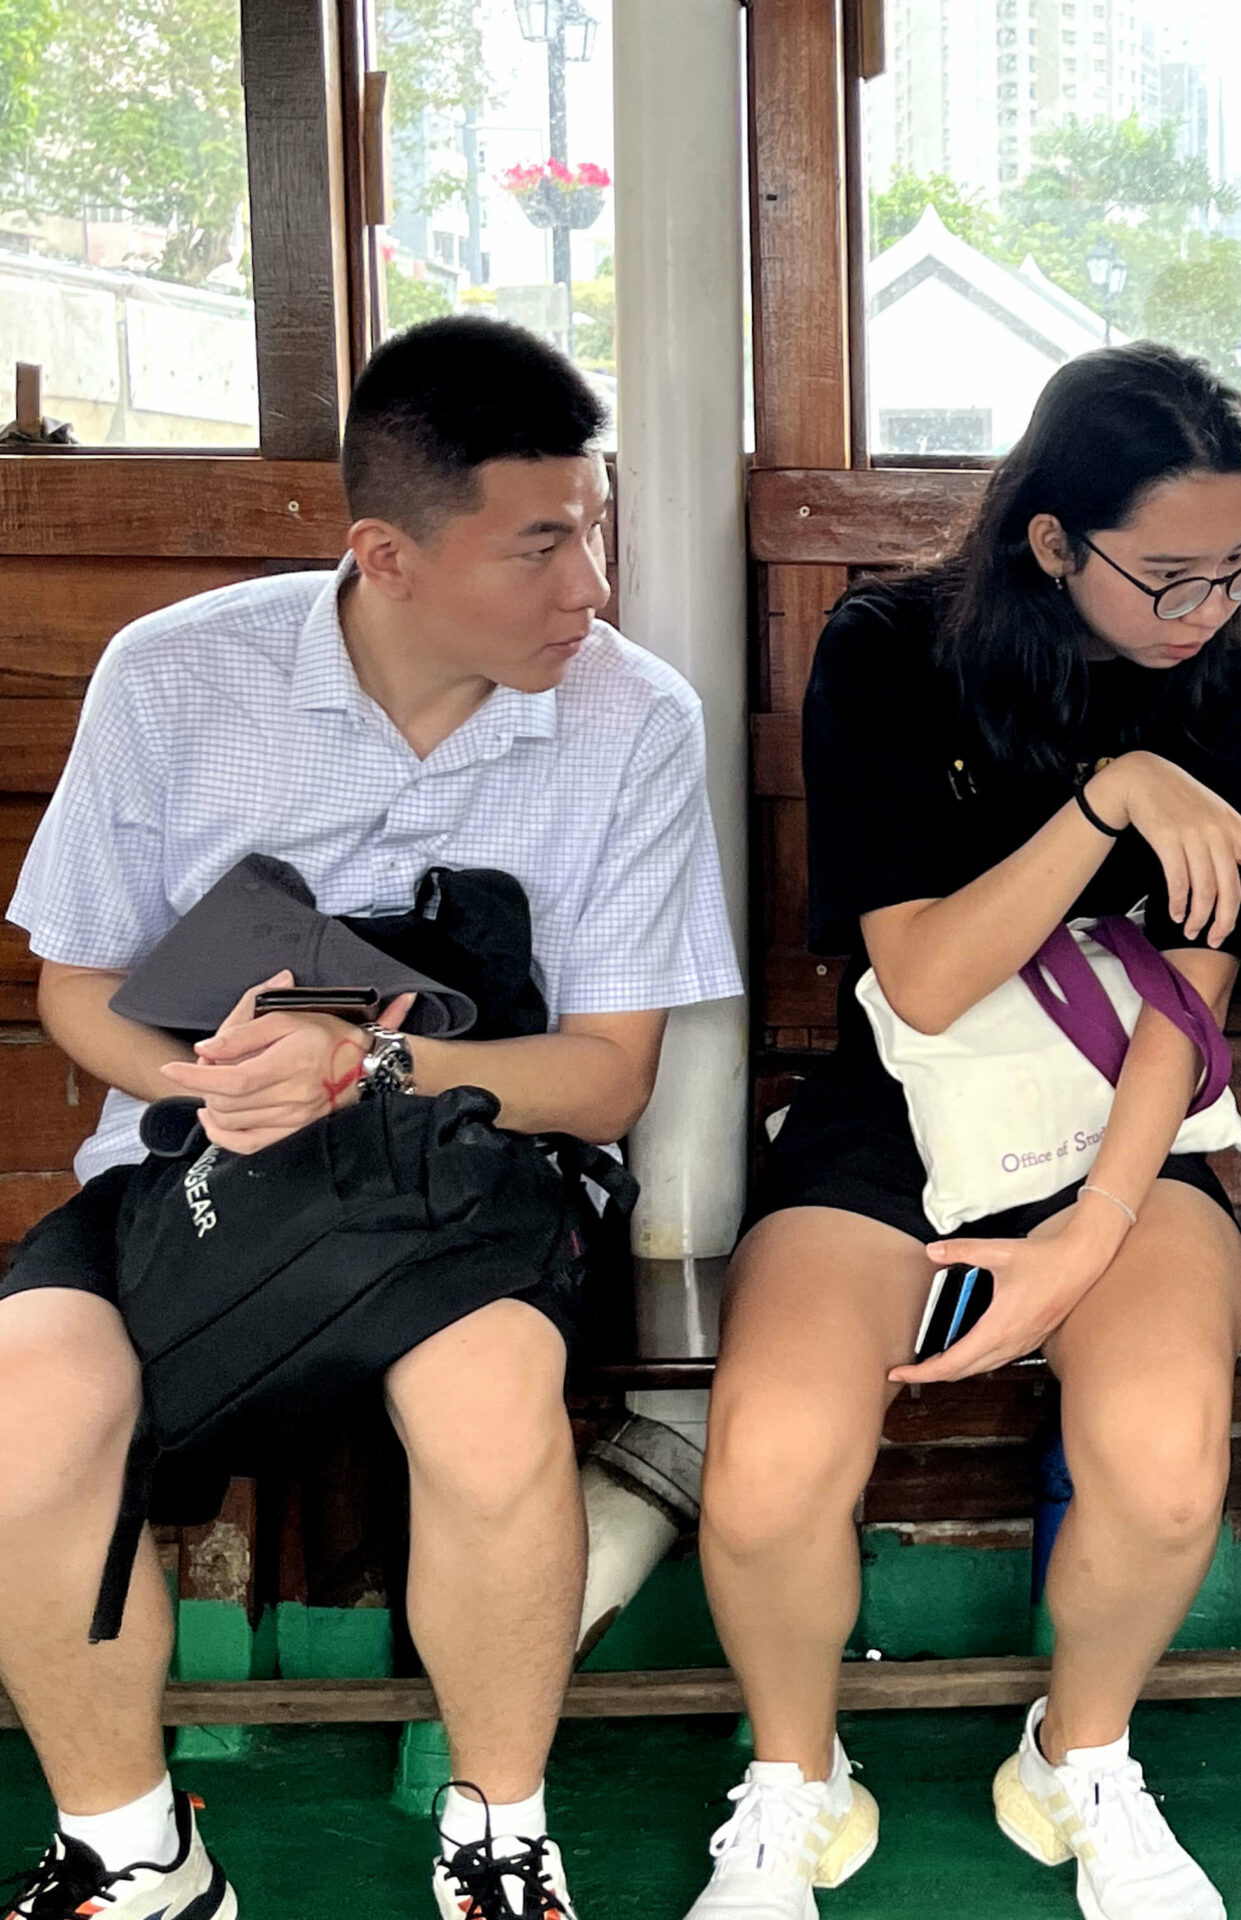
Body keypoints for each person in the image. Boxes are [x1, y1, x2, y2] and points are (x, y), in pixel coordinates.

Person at [0, 314, 740, 1920]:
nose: (591, 589)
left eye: (594, 528)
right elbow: (75, 988)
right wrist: (207, 1079)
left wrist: (375, 1070)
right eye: (541, 545)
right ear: (385, 553)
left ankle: (497, 1829)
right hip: (195, 1169)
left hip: (473, 1185)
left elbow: (609, 1075)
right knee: (26, 1415)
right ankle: (130, 1851)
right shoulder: (176, 675)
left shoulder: (634, 718)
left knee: (490, 1407)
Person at [684, 343, 1241, 1920]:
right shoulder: (892, 647)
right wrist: (1109, 799)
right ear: (1051, 540)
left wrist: (1085, 1240)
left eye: (1239, 562)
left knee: (1166, 1473)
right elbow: (927, 970)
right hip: (895, 1106)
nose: (1209, 606)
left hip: (1121, 1117)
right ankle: (795, 1779)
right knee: (764, 1469)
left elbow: (1192, 993)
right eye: (1169, 574)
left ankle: (1074, 1757)